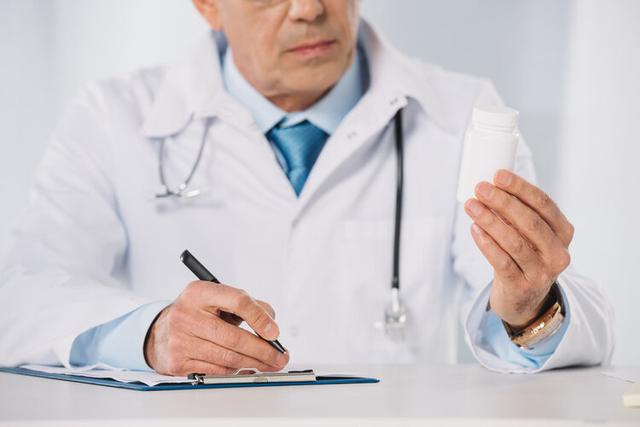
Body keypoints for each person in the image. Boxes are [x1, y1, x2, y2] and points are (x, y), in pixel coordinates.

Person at [0, 0, 613, 376]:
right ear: (207, 4)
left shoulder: (462, 113)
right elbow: (20, 298)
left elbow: (564, 318)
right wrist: (150, 334)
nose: (309, 9)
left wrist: (532, 308)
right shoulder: (113, 116)